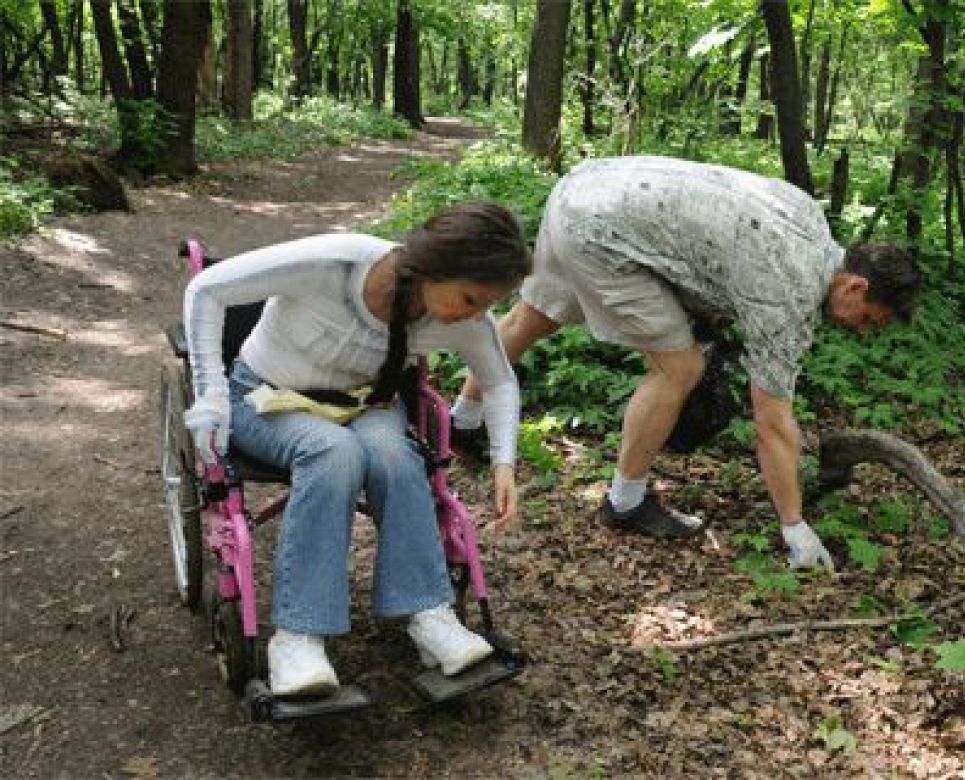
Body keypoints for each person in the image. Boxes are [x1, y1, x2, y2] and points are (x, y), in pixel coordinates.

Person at [453, 156, 921, 570]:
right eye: (868, 319)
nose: (862, 330)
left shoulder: (808, 220)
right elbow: (773, 424)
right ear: (855, 286)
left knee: (536, 315)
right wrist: (794, 524)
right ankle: (625, 503)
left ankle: (462, 420)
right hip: (602, 234)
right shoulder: (789, 293)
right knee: (679, 368)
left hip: (582, 191)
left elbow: (713, 253)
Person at [182, 202, 531, 698]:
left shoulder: (461, 317)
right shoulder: (335, 263)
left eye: (484, 305)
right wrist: (210, 395)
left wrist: (504, 462)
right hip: (264, 397)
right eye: (470, 298)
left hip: (365, 404)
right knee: (333, 452)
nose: (474, 315)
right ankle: (297, 639)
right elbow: (206, 289)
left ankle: (429, 614)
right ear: (436, 264)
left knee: (397, 455)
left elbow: (499, 382)